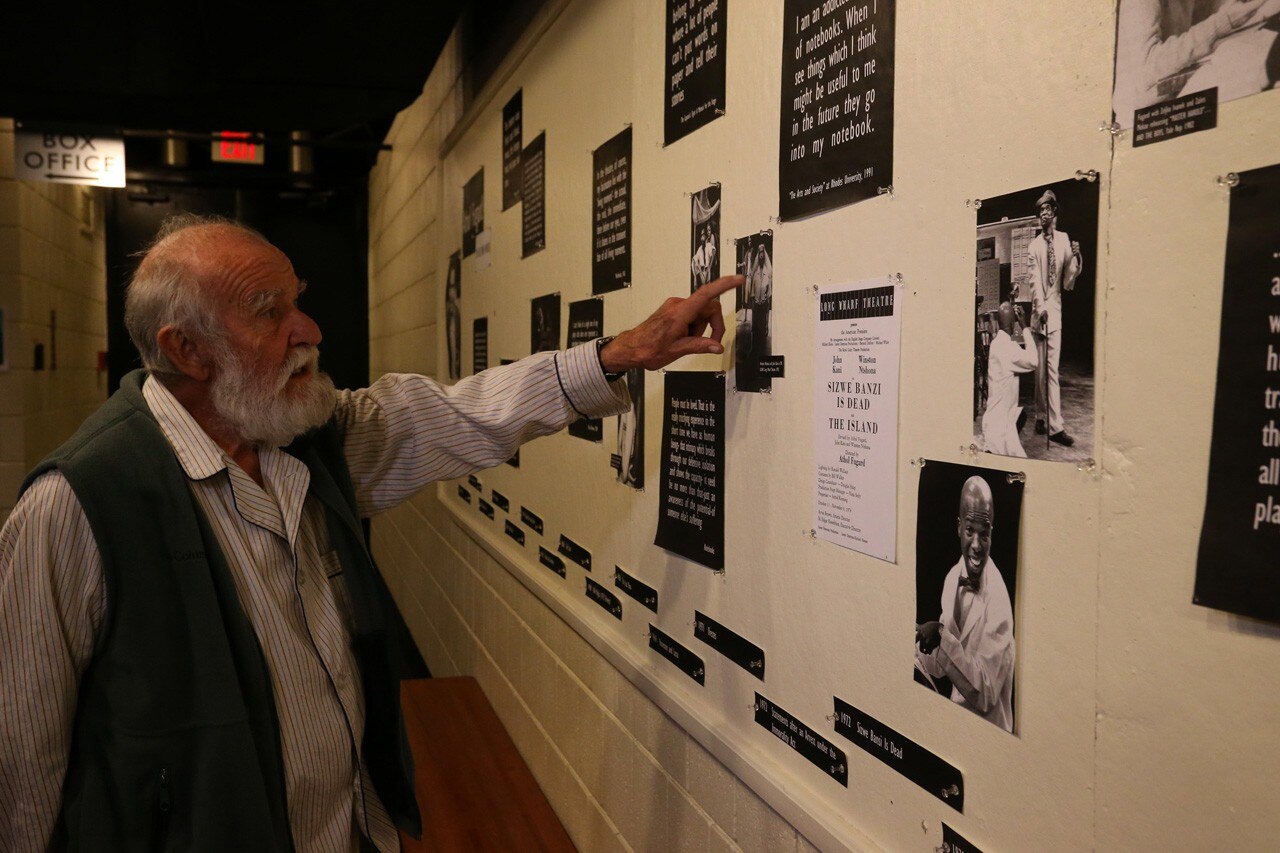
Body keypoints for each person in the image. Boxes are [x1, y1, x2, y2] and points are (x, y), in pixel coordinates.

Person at [0, 214, 743, 851]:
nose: (309, 331)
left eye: (298, 302)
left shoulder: (304, 440)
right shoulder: (76, 505)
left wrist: (620, 354)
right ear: (187, 350)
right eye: (269, 312)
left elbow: (457, 413)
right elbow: (21, 756)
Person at [915, 476, 1016, 733]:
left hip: (992, 732)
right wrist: (918, 643)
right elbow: (942, 667)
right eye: (970, 531)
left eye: (984, 534)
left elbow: (985, 693)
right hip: (956, 724)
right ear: (959, 528)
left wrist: (940, 637)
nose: (976, 545)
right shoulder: (953, 577)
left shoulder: (998, 600)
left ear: (992, 533)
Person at [1113, 0, 1277, 119]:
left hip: (1178, 98)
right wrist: (1224, 21)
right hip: (1141, 118)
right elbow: (1148, 67)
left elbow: (1211, 17)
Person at [1026, 189, 1080, 447]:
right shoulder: (1034, 246)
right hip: (1040, 317)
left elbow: (1068, 280)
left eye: (1047, 209)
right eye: (1040, 210)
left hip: (1055, 314)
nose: (1043, 214)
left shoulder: (1064, 239)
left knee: (1052, 372)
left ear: (1054, 211)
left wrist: (1076, 257)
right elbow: (1034, 281)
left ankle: (1056, 427)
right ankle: (1040, 415)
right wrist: (1040, 308)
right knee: (1039, 374)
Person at [981, 302, 1040, 457]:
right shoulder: (1010, 349)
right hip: (999, 428)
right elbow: (1034, 361)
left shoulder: (996, 344)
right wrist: (1025, 326)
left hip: (992, 420)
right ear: (1014, 324)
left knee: (1021, 415)